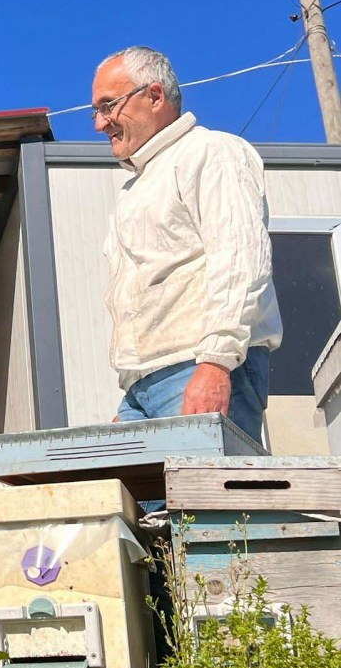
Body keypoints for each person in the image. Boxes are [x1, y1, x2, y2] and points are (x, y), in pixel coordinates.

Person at [91, 46, 283, 443]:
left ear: (154, 96)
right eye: (95, 111)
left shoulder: (212, 152)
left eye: (108, 106)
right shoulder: (135, 188)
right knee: (130, 483)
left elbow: (239, 258)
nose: (99, 123)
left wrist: (216, 363)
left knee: (205, 486)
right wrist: (135, 396)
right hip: (146, 384)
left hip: (199, 365)